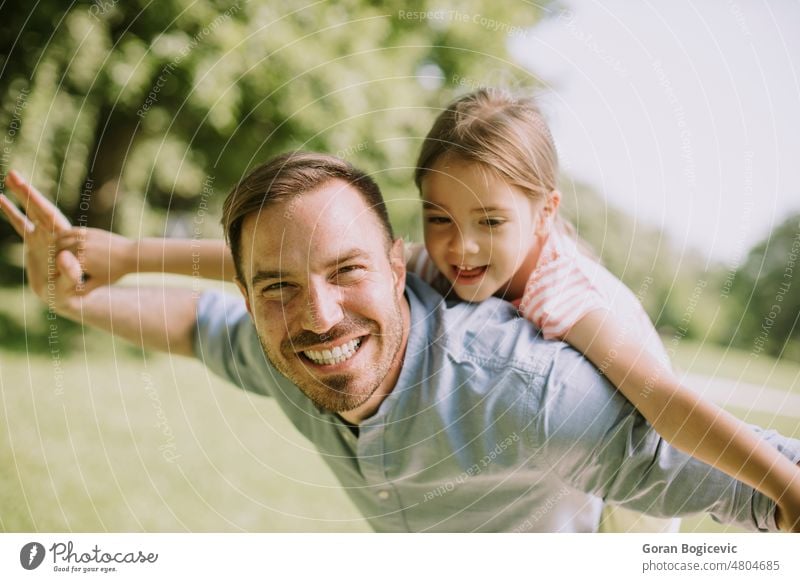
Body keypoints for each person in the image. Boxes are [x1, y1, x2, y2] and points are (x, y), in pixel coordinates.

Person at [32, 90, 800, 533]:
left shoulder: (555, 336)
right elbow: (243, 284)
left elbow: (667, 412)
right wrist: (109, 270)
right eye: (441, 217)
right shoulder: (419, 270)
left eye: (492, 223)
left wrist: (787, 492)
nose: (463, 246)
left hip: (625, 511)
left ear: (547, 213)